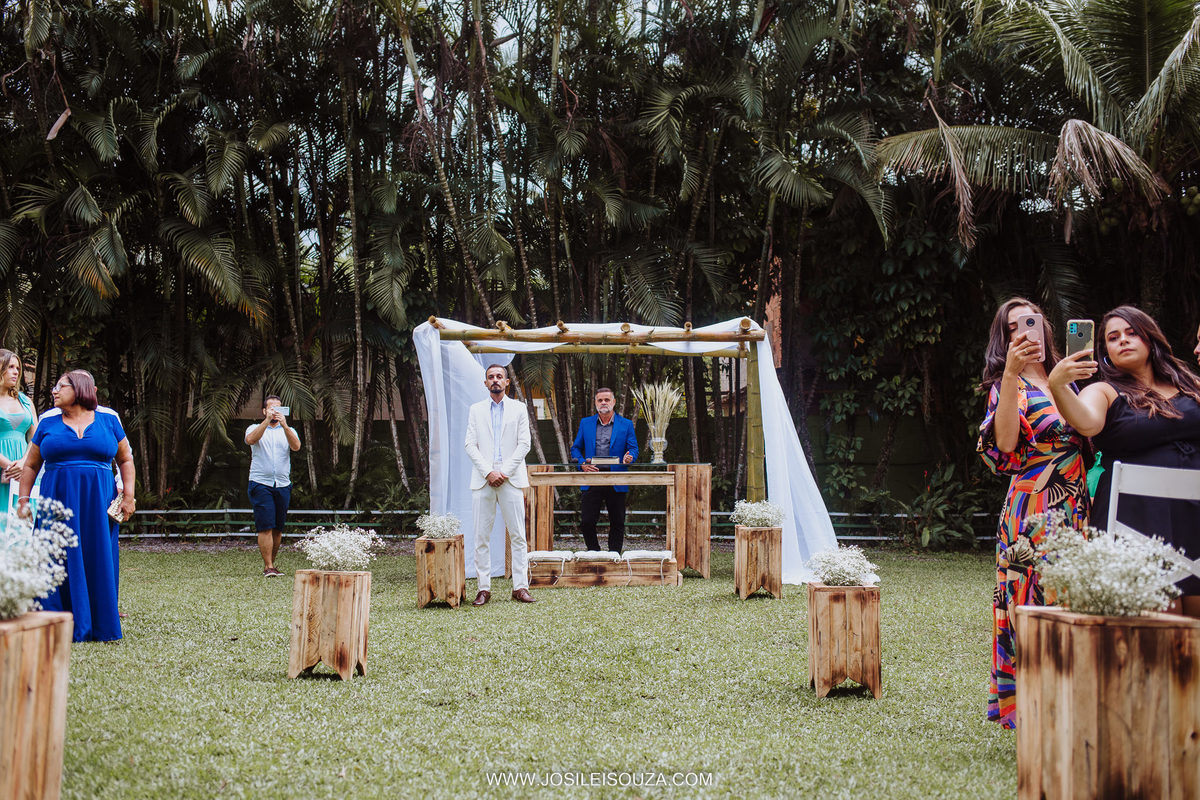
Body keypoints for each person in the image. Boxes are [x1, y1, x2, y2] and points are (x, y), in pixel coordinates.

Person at [977, 298, 1090, 729]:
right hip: (1033, 510)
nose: (1025, 330)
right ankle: (1032, 706)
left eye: (1032, 321)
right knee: (1030, 600)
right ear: (1004, 339)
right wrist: (1009, 374)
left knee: (1074, 598)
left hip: (1076, 504)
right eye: (1013, 327)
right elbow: (1006, 445)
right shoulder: (1009, 386)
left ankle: (1071, 700)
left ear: (1046, 327)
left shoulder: (1069, 378)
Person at [1050, 305, 1200, 614]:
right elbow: (1087, 423)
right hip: (1138, 515)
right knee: (1160, 613)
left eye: (1132, 333)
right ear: (1105, 351)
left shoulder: (1189, 385)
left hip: (1193, 512)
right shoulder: (1103, 391)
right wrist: (1058, 386)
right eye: (1113, 337)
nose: (1123, 340)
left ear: (1150, 339)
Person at [18, 370, 135, 642]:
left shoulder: (109, 420)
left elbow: (125, 459)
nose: (54, 391)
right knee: (54, 556)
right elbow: (31, 465)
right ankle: (53, 622)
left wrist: (128, 495)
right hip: (56, 500)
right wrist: (24, 500)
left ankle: (99, 623)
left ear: (80, 389)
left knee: (98, 555)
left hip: (98, 501)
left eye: (61, 386)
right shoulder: (48, 422)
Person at [464, 364, 535, 605]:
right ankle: (483, 588)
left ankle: (520, 587)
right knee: (481, 537)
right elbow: (469, 444)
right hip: (483, 479)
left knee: (518, 535)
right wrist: (488, 472)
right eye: (491, 377)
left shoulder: (519, 408)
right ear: (485, 383)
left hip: (510, 479)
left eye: (499, 376)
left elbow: (524, 444)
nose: (495, 380)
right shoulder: (475, 410)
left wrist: (503, 472)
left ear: (506, 382)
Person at [570, 387, 639, 552]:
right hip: (592, 477)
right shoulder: (586, 423)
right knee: (587, 522)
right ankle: (594, 553)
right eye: (600, 400)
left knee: (617, 522)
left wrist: (630, 457)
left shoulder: (626, 424)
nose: (603, 403)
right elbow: (575, 449)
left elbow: (633, 449)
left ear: (613, 402)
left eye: (607, 400)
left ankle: (614, 556)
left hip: (616, 478)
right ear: (595, 403)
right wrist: (582, 463)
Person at [245, 395, 301, 577]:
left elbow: (296, 446)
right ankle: (268, 566)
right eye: (271, 408)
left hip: (282, 483)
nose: (275, 411)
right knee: (265, 526)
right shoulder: (254, 427)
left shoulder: (288, 430)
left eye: (278, 408)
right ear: (264, 411)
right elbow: (251, 440)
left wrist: (285, 425)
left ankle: (272, 564)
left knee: (278, 528)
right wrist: (267, 421)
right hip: (261, 483)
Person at [0, 349, 35, 528]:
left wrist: (23, 463)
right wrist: (8, 466)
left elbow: (36, 436)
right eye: (11, 367)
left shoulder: (25, 401)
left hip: (24, 466)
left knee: (22, 525)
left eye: (18, 368)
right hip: (4, 466)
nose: (16, 372)